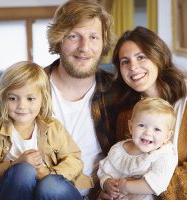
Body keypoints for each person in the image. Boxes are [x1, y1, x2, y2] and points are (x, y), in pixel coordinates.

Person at [100, 26, 187, 199]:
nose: (133, 66)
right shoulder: (127, 114)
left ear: (158, 57)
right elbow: (122, 167)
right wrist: (111, 188)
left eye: (141, 57)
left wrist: (138, 188)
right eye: (125, 61)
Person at [0, 61, 92, 200]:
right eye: (13, 98)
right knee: (23, 170)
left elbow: (74, 161)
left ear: (43, 99)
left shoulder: (53, 127)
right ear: (3, 99)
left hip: (51, 191)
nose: (22, 106)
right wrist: (15, 163)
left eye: (30, 98)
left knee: (50, 185)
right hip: (14, 194)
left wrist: (48, 173)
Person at [44, 0, 117, 198]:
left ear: (103, 43)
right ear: (59, 39)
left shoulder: (118, 92)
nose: (84, 48)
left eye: (94, 37)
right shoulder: (29, 87)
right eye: (74, 36)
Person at [97, 97, 177, 200]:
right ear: (131, 127)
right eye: (142, 125)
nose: (148, 132)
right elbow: (104, 170)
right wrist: (106, 182)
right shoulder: (118, 150)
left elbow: (158, 183)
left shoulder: (163, 155)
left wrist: (126, 187)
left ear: (167, 136)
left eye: (157, 129)